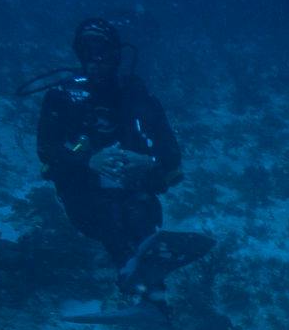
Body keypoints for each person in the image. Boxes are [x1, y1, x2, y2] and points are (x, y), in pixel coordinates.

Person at [34, 19, 208, 292]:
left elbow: (171, 153)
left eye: (103, 53)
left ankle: (148, 288)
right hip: (82, 190)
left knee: (138, 215)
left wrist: (148, 161)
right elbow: (46, 148)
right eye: (87, 53)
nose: (96, 62)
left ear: (116, 55)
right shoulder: (62, 97)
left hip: (132, 188)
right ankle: (133, 275)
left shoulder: (137, 96)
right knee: (108, 218)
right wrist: (88, 160)